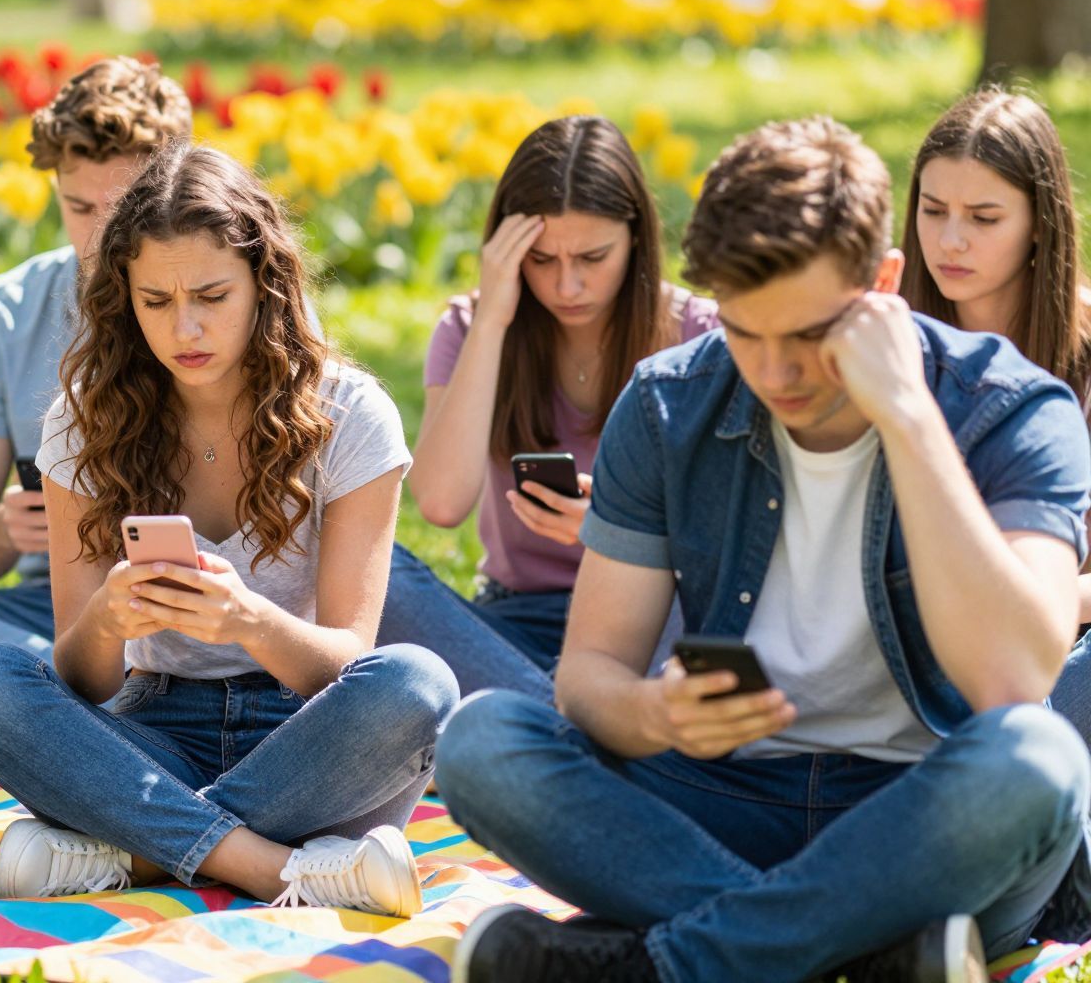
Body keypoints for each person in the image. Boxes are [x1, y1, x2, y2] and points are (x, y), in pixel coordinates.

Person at [439, 116, 1091, 982]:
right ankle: (869, 955)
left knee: (1038, 760)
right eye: (747, 333)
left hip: (927, 809)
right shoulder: (670, 402)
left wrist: (908, 417)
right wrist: (654, 716)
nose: (777, 373)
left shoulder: (1010, 407)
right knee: (484, 741)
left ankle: (659, 967)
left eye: (809, 336)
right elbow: (590, 673)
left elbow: (1012, 680)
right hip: (722, 797)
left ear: (883, 283)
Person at [0, 143, 457, 914]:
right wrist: (107, 619)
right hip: (150, 730)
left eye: (212, 295)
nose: (186, 327)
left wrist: (249, 621)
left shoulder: (351, 416)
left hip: (305, 737)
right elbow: (85, 682)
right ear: (124, 298)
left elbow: (344, 663)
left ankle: (136, 851)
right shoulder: (83, 427)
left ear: (264, 284)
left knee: (420, 682)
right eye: (156, 301)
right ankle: (277, 866)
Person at [377, 115, 717, 701]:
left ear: (636, 240)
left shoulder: (697, 334)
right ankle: (580, 730)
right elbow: (440, 502)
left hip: (649, 623)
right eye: (541, 260)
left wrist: (619, 535)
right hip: (513, 627)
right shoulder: (470, 327)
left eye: (592, 257)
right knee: (375, 575)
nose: (568, 286)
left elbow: (727, 538)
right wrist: (493, 319)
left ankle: (537, 730)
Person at [0, 56, 192, 656]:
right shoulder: (0, 316)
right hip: (52, 605)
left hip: (208, 597)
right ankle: (71, 683)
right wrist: (4, 531)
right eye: (80, 208)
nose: (100, 238)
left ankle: (53, 697)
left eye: (125, 208)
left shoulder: (235, 302)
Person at [900, 88, 1091, 635]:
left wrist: (1023, 601)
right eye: (933, 211)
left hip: (1059, 640)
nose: (950, 240)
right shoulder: (888, 336)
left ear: (1039, 223)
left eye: (984, 219)